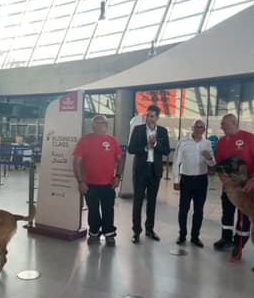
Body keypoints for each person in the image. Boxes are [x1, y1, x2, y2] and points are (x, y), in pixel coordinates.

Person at [214, 114, 254, 259]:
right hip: (229, 187)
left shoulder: (249, 138)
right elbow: (220, 164)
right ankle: (226, 238)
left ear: (234, 123)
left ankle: (239, 243)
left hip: (246, 186)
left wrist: (253, 179)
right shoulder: (221, 142)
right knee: (227, 212)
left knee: (244, 216)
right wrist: (223, 179)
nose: (221, 126)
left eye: (224, 123)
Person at [73, 115, 125, 246]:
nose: (98, 126)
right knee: (93, 210)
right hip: (90, 185)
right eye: (96, 123)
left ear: (107, 126)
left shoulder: (112, 141)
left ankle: (109, 234)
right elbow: (77, 162)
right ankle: (94, 233)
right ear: (92, 126)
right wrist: (80, 181)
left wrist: (118, 177)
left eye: (102, 123)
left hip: (108, 184)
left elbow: (121, 160)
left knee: (108, 210)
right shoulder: (84, 141)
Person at [127, 105, 170, 244]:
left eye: (152, 116)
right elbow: (131, 149)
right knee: (138, 202)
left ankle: (149, 230)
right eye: (147, 116)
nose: (149, 118)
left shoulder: (162, 132)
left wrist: (155, 144)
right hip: (140, 171)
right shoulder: (138, 130)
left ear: (157, 117)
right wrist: (146, 147)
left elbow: (166, 150)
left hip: (154, 172)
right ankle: (136, 231)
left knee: (152, 202)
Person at [173, 119, 215, 248]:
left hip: (201, 180)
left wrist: (209, 158)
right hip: (186, 179)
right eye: (196, 127)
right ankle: (182, 234)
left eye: (201, 127)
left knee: (199, 210)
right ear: (192, 128)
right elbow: (176, 162)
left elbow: (213, 164)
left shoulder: (207, 144)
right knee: (183, 209)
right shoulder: (183, 142)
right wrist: (176, 180)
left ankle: (195, 236)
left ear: (204, 130)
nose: (198, 129)